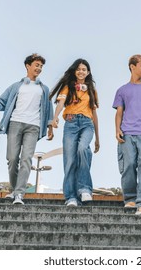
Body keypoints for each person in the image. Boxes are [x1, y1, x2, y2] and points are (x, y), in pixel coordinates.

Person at [0, 53, 54, 205]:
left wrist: (50, 126)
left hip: (33, 126)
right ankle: (14, 190)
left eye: (41, 66)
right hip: (15, 123)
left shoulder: (44, 89)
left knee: (26, 159)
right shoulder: (17, 86)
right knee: (12, 158)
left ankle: (19, 194)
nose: (39, 68)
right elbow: (2, 102)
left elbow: (49, 110)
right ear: (28, 66)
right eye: (37, 65)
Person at [112, 54, 141, 216]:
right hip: (127, 133)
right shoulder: (122, 90)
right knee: (129, 165)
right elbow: (119, 112)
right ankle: (130, 198)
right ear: (132, 67)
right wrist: (117, 129)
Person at [49, 59, 100, 207]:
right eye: (78, 69)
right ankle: (71, 196)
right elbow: (60, 103)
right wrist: (54, 118)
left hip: (87, 124)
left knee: (83, 148)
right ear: (74, 71)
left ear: (88, 72)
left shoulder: (92, 90)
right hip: (70, 123)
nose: (81, 71)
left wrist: (97, 138)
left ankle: (84, 189)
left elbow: (95, 114)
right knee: (70, 160)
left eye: (84, 69)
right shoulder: (68, 87)